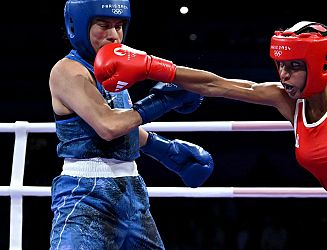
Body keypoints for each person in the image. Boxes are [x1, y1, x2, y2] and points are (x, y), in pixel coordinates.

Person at [94, 21, 327, 249]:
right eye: (281, 66)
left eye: (294, 67)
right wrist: (151, 66)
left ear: (321, 64)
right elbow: (219, 85)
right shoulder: (287, 101)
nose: (284, 75)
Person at [48, 0, 214, 249]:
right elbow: (108, 125)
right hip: (85, 193)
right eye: (103, 25)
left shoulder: (115, 70)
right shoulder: (68, 71)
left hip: (132, 190)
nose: (113, 35)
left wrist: (166, 150)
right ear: (78, 26)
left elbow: (124, 125)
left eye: (119, 26)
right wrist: (162, 102)